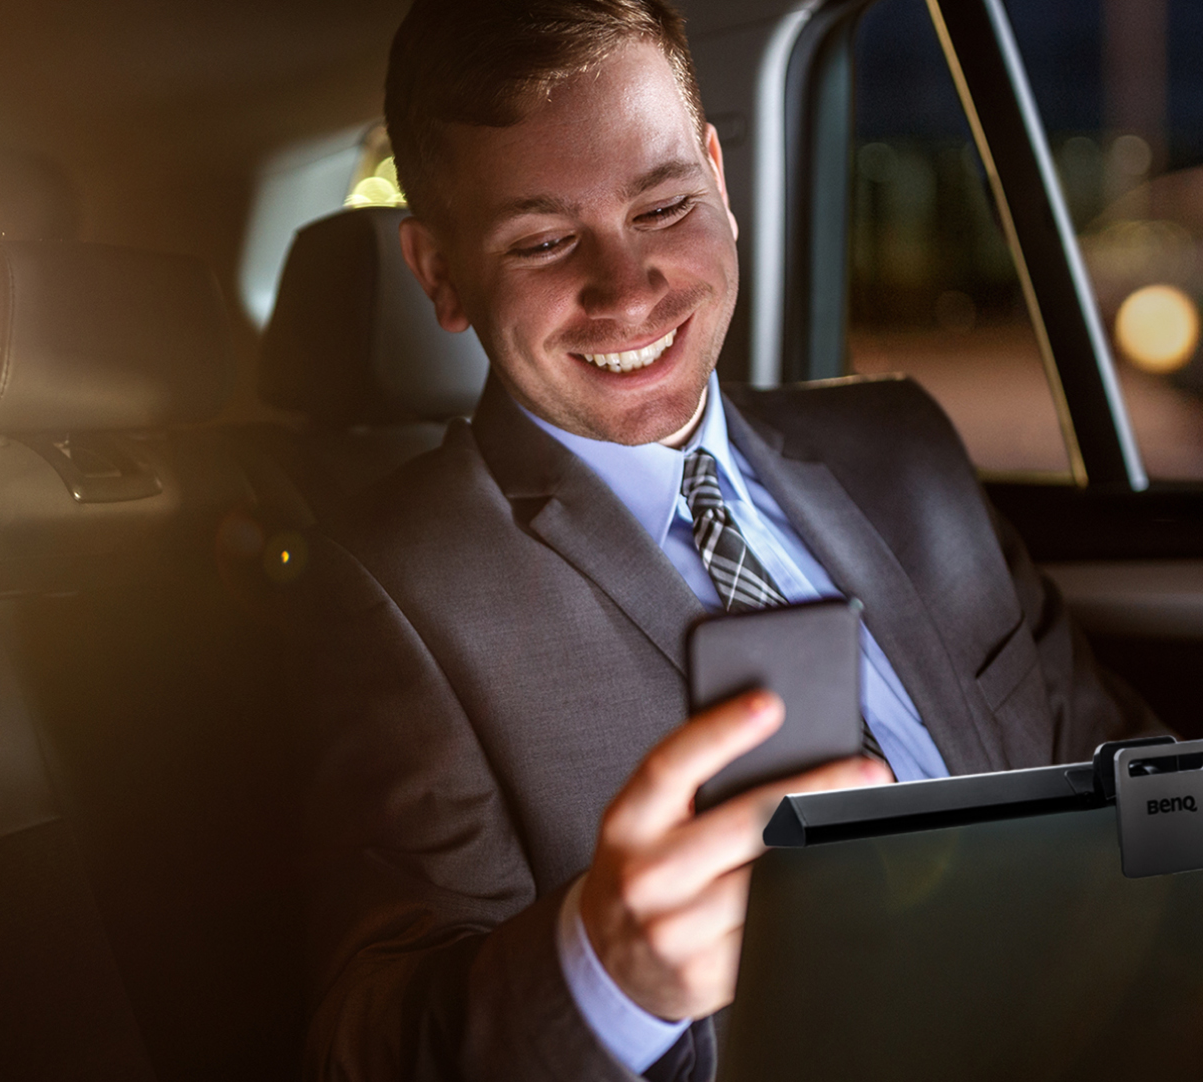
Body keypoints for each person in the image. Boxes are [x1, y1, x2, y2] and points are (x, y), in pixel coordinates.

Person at [296, 1, 1156, 1079]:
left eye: (662, 207)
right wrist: (601, 971)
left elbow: (1132, 777)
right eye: (546, 241)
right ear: (440, 273)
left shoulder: (903, 450)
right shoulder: (393, 583)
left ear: (718, 175)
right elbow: (361, 1045)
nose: (629, 287)